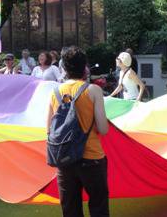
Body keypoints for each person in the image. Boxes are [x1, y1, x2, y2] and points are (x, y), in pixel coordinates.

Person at [47, 46, 109, 217]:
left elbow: (49, 130)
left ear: (64, 68)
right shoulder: (93, 90)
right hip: (92, 158)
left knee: (70, 209)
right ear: (85, 67)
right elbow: (103, 129)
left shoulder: (55, 92)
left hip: (64, 158)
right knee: (99, 206)